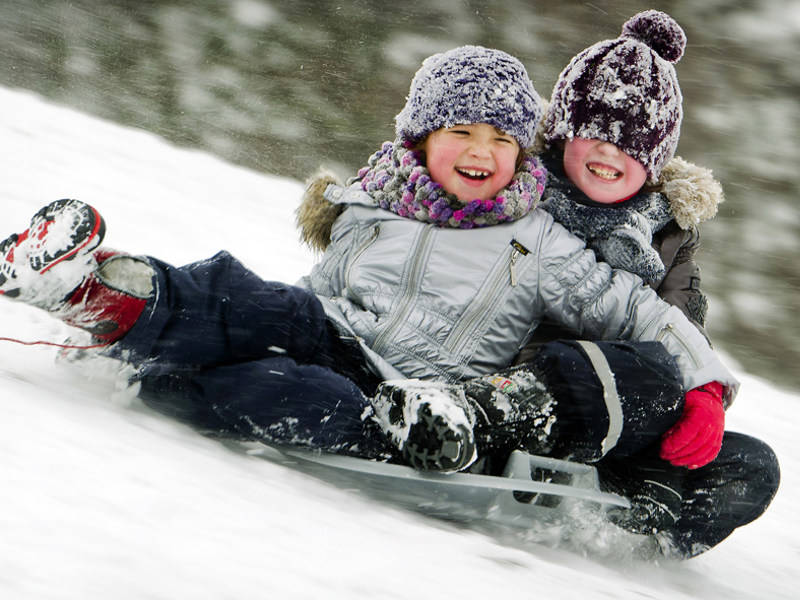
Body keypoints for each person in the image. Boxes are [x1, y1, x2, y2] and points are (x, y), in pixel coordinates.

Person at [1, 44, 742, 554]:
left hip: (409, 392)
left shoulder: (540, 238)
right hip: (333, 328)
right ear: (420, 138)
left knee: (297, 392)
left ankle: (166, 375)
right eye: (460, 131)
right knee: (250, 298)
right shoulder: (373, 201)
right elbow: (319, 292)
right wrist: (247, 319)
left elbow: (645, 315)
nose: (482, 152)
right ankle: (96, 291)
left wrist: (706, 384)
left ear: (525, 154)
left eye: (502, 139)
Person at [365, 12, 779, 559]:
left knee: (750, 466)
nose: (610, 153)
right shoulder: (517, 188)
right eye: (595, 133)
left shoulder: (668, 236)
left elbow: (679, 328)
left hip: (620, 405)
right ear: (562, 131)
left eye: (632, 143)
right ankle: (469, 428)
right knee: (613, 367)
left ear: (654, 162)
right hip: (503, 377)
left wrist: (701, 399)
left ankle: (624, 525)